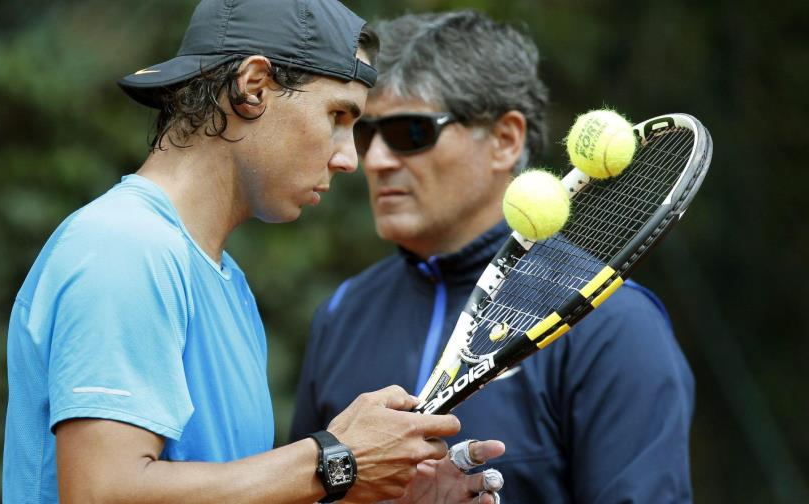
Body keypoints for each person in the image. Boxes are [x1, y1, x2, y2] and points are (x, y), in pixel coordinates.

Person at [1, 1, 484, 502]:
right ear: (253, 88)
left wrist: (362, 491)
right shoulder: (122, 247)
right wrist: (336, 458)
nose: (349, 158)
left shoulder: (226, 282)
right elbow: (104, 493)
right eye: (337, 115)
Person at [290, 10, 696, 504]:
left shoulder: (616, 323)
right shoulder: (342, 312)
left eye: (411, 132)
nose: (374, 160)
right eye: (367, 133)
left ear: (505, 139)